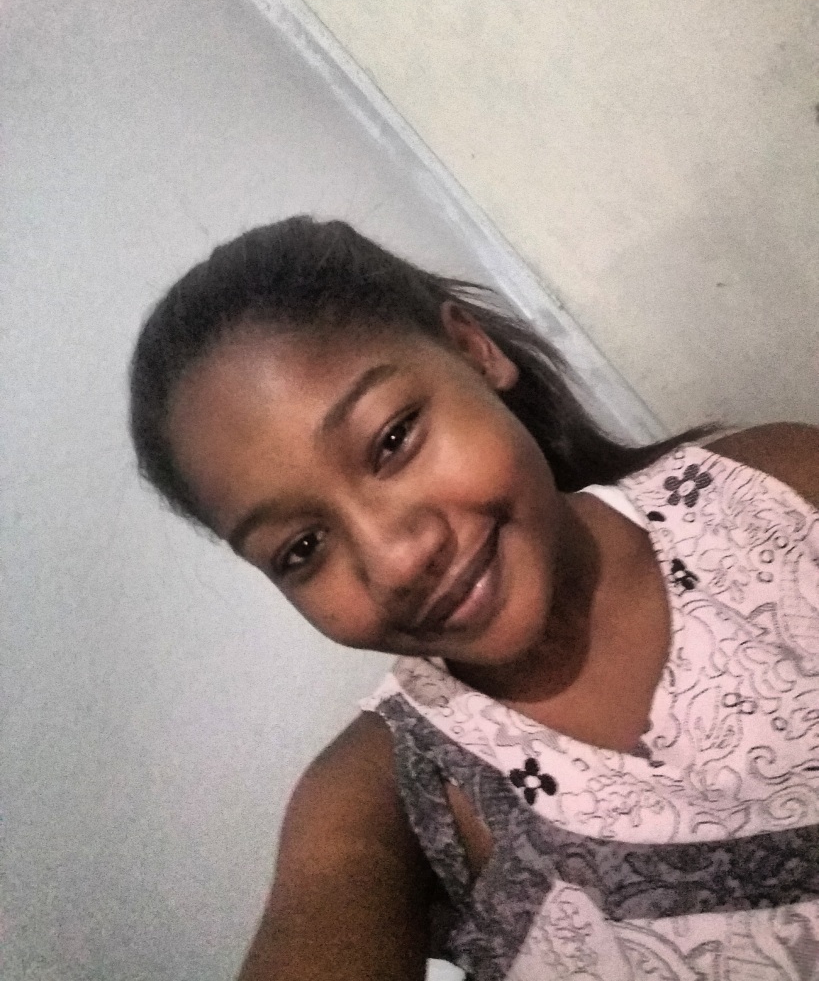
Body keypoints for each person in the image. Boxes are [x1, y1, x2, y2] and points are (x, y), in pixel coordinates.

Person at [129, 217, 819, 981]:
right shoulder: (382, 799)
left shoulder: (777, 494)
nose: (395, 560)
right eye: (301, 549)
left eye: (392, 440)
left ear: (471, 350)